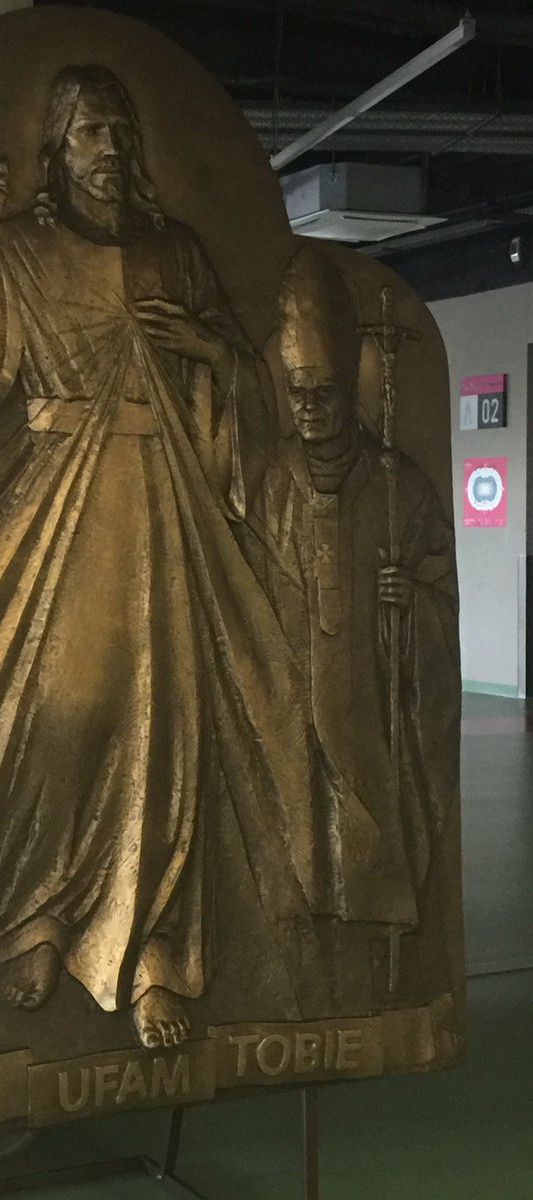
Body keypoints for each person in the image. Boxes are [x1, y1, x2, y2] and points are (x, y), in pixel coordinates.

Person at [0, 65, 333, 1053]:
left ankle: (155, 954)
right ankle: (38, 918)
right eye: (89, 133)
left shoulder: (178, 253)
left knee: (167, 722)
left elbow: (244, 392)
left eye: (121, 131)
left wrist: (209, 354)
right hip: (60, 514)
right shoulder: (21, 248)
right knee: (61, 716)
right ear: (57, 151)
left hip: (169, 511)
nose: (111, 150)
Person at [240, 247, 460, 1007]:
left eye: (324, 393)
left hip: (373, 705)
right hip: (291, 707)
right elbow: (245, 594)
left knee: (373, 848)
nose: (308, 408)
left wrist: (414, 601)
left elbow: (441, 590)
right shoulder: (271, 486)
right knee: (299, 853)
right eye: (297, 392)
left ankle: (383, 974)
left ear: (348, 389)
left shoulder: (400, 490)